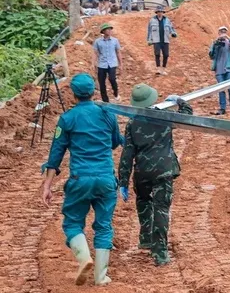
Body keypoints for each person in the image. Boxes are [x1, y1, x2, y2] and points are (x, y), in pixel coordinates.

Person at [40, 73, 125, 286]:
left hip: (80, 179)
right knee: (104, 226)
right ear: (93, 91)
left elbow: (55, 155)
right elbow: (116, 142)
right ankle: (100, 276)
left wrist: (47, 186)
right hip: (106, 178)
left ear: (74, 94)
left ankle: (84, 257)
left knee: (72, 223)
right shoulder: (108, 115)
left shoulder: (67, 119)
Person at [118, 85, 192, 266]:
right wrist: (179, 100)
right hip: (163, 170)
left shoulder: (132, 123)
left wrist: (123, 182)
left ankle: (145, 238)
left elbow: (127, 154)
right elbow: (188, 116)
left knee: (143, 201)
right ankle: (160, 253)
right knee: (161, 208)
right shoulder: (163, 116)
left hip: (142, 171)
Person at [208, 26, 230, 114]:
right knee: (221, 89)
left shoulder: (229, 43)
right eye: (221, 32)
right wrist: (216, 43)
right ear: (218, 33)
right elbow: (211, 55)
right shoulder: (215, 43)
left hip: (229, 68)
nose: (223, 33)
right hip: (219, 69)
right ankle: (222, 108)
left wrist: (227, 37)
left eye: (224, 31)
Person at [93, 23, 122, 102]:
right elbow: (95, 53)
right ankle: (105, 100)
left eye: (110, 29)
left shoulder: (115, 41)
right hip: (102, 64)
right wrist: (94, 63)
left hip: (112, 63)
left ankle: (116, 94)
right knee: (101, 82)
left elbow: (118, 52)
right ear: (103, 31)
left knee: (112, 79)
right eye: (107, 29)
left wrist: (120, 64)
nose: (109, 31)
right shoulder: (97, 42)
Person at [147, 6, 177, 75]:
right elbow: (149, 31)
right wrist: (149, 39)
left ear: (163, 12)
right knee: (157, 54)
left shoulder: (167, 20)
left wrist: (173, 33)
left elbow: (171, 28)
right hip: (156, 40)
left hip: (165, 40)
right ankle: (158, 69)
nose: (160, 13)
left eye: (161, 12)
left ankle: (163, 69)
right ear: (156, 12)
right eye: (158, 12)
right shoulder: (152, 20)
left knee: (166, 55)